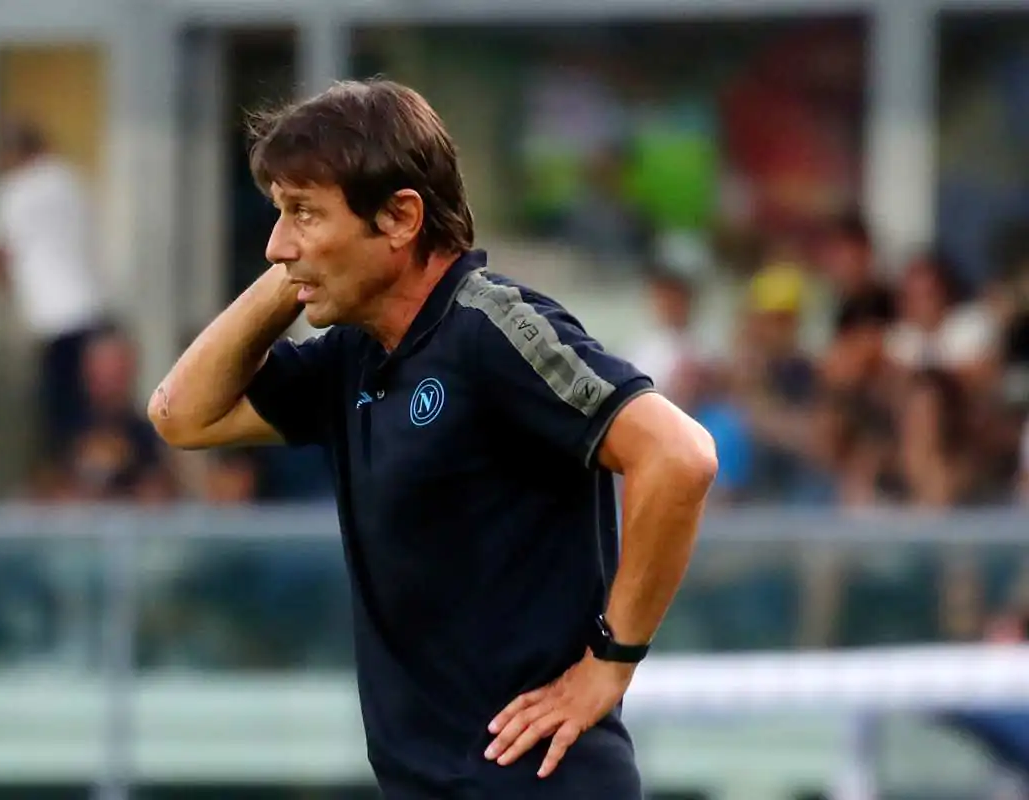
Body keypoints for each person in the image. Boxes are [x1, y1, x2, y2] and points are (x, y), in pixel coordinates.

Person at [148, 79, 717, 799]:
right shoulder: (354, 356)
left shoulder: (490, 330)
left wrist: (611, 662)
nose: (275, 245)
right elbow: (181, 415)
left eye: (303, 212)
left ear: (401, 217)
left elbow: (679, 456)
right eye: (280, 212)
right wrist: (305, 263)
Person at [0, 119, 108, 456]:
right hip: (90, 306)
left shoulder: (16, 190)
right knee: (89, 409)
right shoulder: (71, 181)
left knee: (58, 417)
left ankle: (64, 471)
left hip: (50, 316)